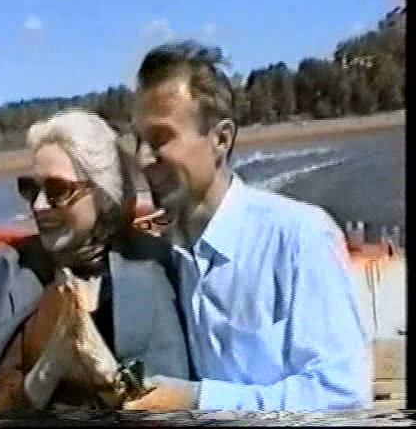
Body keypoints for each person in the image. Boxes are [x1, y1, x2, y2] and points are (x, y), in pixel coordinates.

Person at [125, 40, 371, 411]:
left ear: (221, 139)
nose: (143, 158)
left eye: (161, 138)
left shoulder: (298, 238)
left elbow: (342, 396)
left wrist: (197, 399)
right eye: (139, 140)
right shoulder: (165, 255)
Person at [0, 109, 190, 412]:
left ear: (103, 195)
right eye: (31, 190)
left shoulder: (156, 267)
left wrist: (103, 368)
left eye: (58, 190)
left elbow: (168, 402)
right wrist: (50, 365)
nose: (39, 206)